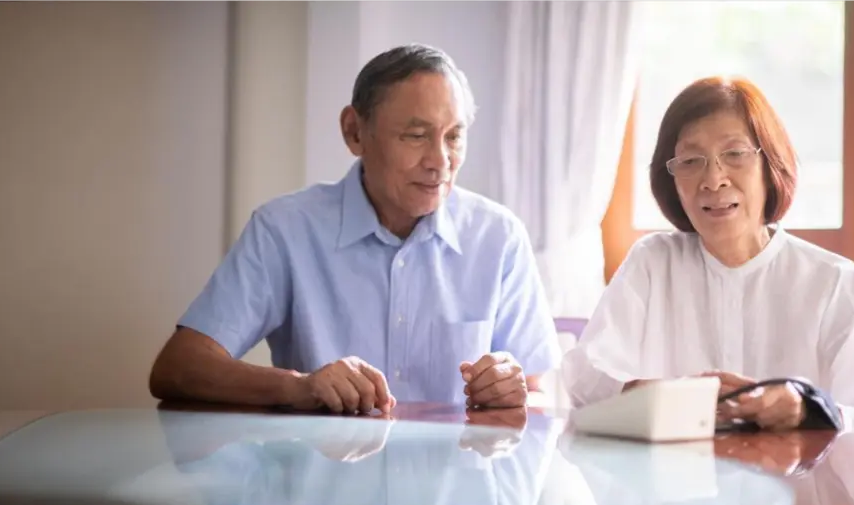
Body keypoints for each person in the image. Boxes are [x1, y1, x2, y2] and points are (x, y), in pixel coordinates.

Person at [149, 44, 559, 414]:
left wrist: (517, 391)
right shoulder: (285, 230)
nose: (440, 160)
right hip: (324, 486)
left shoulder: (499, 238)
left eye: (454, 137)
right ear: (354, 132)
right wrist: (299, 387)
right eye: (416, 135)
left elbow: (548, 393)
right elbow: (178, 368)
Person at [559, 76, 854, 436]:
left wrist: (806, 409)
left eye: (734, 154)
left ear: (770, 165)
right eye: (690, 160)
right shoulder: (653, 262)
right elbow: (583, 376)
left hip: (794, 485)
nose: (713, 179)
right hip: (670, 483)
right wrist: (643, 393)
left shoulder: (834, 280)